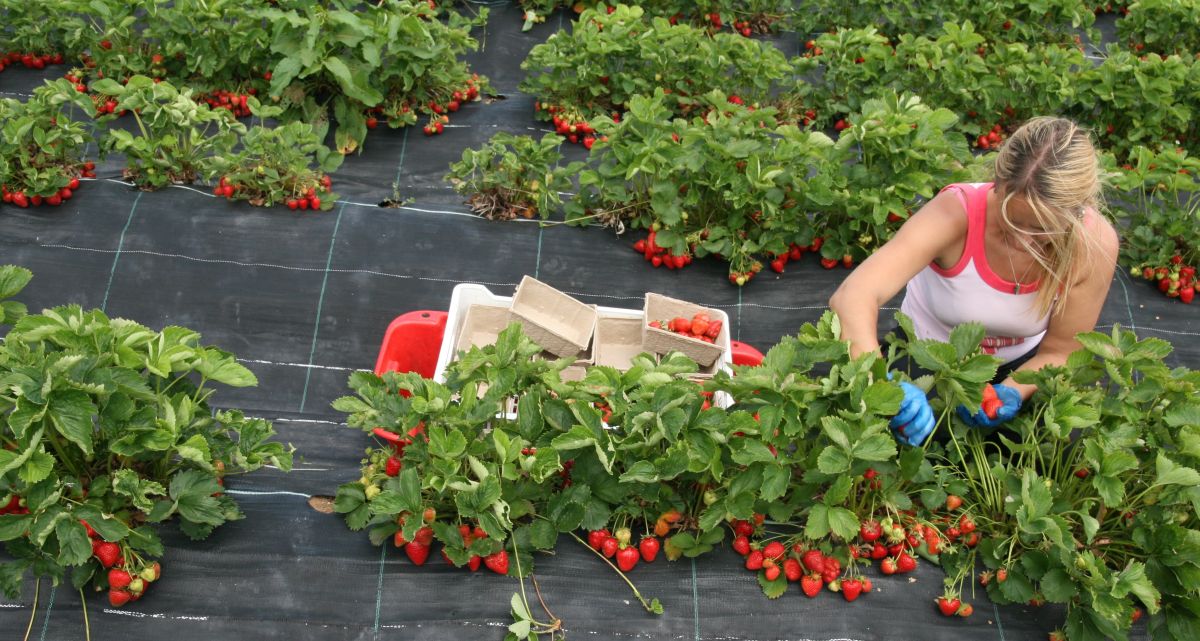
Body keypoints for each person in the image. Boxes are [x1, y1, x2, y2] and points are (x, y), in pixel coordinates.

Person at [829, 117, 1120, 446]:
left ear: (1078, 212)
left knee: (1043, 454)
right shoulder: (957, 213)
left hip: (1020, 362)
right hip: (927, 354)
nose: (1024, 241)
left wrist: (1012, 391)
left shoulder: (1093, 244)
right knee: (886, 443)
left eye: (1042, 230)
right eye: (1013, 222)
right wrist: (879, 383)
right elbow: (853, 295)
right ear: (997, 184)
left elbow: (1061, 349)